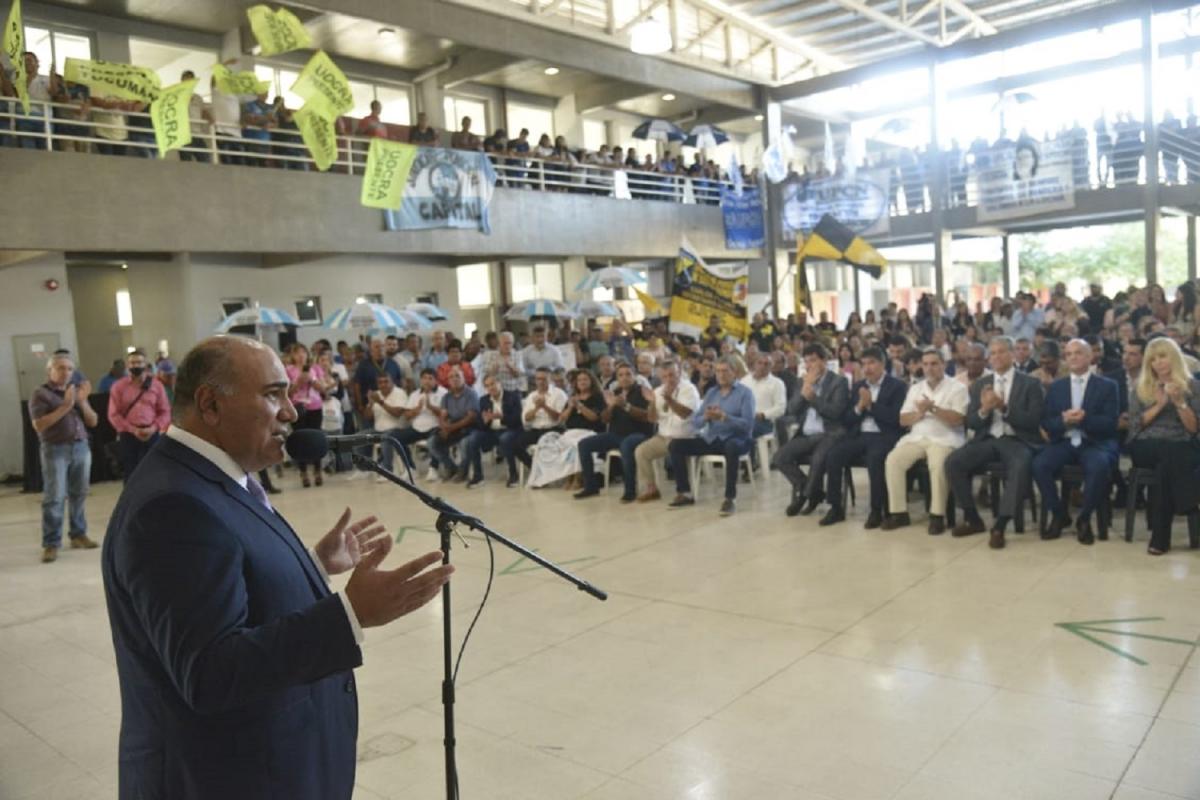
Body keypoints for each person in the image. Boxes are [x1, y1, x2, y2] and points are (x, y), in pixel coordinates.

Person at [101, 335, 453, 800]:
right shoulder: (172, 505)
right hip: (227, 777)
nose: (290, 411)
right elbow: (210, 672)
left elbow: (222, 582)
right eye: (272, 395)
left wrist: (308, 566)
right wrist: (351, 614)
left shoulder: (216, 477)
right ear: (209, 404)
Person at [945, 337, 1046, 549]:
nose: (996, 357)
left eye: (1001, 352)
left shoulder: (1030, 383)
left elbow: (1033, 421)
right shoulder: (981, 384)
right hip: (988, 439)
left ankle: (1000, 524)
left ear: (1012, 354)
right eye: (993, 353)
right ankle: (973, 518)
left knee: (1019, 466)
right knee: (954, 462)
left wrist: (1003, 408)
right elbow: (971, 422)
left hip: (1017, 440)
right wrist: (984, 410)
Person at [1032, 339, 1121, 545]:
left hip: (1095, 442)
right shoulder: (1057, 387)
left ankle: (1084, 518)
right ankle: (1059, 514)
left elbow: (1110, 424)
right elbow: (1047, 422)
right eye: (1069, 354)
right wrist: (1063, 421)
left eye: (1078, 353)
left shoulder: (1107, 386)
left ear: (1090, 357)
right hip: (1064, 441)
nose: (1073, 357)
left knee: (1098, 465)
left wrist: (1084, 419)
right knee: (1039, 465)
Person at [882, 349, 969, 535]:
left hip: (946, 438)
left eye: (934, 363)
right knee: (893, 460)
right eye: (926, 364)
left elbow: (957, 419)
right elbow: (903, 419)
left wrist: (933, 409)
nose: (930, 368)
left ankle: (937, 515)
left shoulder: (957, 388)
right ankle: (899, 513)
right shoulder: (916, 388)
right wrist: (920, 413)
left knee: (938, 465)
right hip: (918, 436)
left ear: (943, 365)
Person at [1127, 337, 1200, 555]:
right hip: (1146, 444)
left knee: (1165, 467)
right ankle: (1189, 503)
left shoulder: (1193, 387)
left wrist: (1179, 402)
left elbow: (1193, 429)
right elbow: (1134, 426)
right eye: (1153, 359)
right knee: (1168, 453)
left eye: (1163, 356)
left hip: (1181, 444)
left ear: (1174, 358)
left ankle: (1160, 539)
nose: (1159, 363)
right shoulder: (1140, 388)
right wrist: (1159, 405)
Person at [822, 347, 907, 527]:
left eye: (872, 363)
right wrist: (859, 407)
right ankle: (835, 508)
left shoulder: (898, 386)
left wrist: (871, 406)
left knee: (875, 459)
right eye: (864, 364)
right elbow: (847, 420)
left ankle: (877, 511)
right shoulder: (859, 386)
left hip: (885, 436)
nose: (867, 368)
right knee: (834, 455)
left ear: (882, 364)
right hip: (860, 435)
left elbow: (896, 419)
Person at [30, 352, 99, 563]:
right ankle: (51, 543)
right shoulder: (40, 394)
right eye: (60, 368)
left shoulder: (75, 392)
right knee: (55, 497)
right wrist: (65, 407)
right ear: (49, 371)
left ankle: (78, 534)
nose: (66, 372)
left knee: (79, 493)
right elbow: (39, 425)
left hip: (80, 447)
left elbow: (93, 421)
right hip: (55, 450)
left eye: (70, 369)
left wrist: (82, 402)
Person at [666, 357, 756, 516]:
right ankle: (685, 493)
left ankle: (730, 498)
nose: (721, 375)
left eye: (725, 371)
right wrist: (706, 417)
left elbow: (748, 425)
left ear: (734, 372)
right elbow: (696, 422)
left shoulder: (745, 393)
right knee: (675, 445)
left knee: (731, 446)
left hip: (738, 439)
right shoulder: (712, 392)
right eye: (718, 371)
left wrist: (724, 417)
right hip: (713, 438)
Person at [772, 344, 849, 517]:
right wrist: (805, 389)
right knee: (779, 458)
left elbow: (835, 413)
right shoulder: (802, 381)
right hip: (807, 434)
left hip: (830, 433)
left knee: (818, 459)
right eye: (806, 361)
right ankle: (812, 491)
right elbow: (791, 410)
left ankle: (803, 497)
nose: (809, 365)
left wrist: (813, 398)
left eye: (813, 360)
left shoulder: (839, 382)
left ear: (824, 361)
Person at [574, 363, 654, 502]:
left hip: (639, 434)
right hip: (616, 434)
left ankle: (630, 490)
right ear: (616, 378)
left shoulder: (643, 391)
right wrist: (611, 406)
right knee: (583, 445)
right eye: (621, 375)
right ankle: (591, 486)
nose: (624, 378)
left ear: (634, 376)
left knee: (626, 445)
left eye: (628, 374)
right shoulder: (615, 392)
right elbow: (604, 419)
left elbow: (647, 416)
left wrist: (626, 406)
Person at [634, 360, 700, 502]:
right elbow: (651, 419)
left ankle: (683, 491)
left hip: (685, 438)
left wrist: (669, 400)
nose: (669, 379)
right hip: (663, 437)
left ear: (679, 373)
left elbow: (685, 414)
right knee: (640, 451)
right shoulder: (657, 391)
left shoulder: (689, 389)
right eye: (665, 377)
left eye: (672, 375)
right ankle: (652, 489)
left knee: (675, 447)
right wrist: (651, 402)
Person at [107, 350, 172, 480]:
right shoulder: (118, 387)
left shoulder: (156, 386)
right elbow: (113, 414)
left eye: (139, 362)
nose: (136, 365)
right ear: (127, 365)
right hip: (128, 434)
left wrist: (154, 427)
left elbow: (165, 411)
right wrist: (133, 429)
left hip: (152, 433)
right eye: (132, 363)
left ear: (146, 364)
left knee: (153, 472)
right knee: (131, 474)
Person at [505, 367, 568, 486]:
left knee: (546, 445)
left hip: (554, 429)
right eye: (538, 379)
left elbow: (559, 418)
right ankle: (537, 471)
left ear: (550, 379)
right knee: (514, 444)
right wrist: (537, 408)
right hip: (535, 429)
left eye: (544, 379)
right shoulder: (531, 396)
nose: (540, 382)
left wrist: (544, 406)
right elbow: (526, 418)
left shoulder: (559, 394)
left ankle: (543, 473)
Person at [286, 343, 333, 488]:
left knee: (316, 438)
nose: (301, 356)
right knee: (300, 439)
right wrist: (299, 382)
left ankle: (318, 471)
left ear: (307, 354)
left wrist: (312, 380)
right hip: (297, 407)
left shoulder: (315, 368)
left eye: (303, 352)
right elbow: (288, 392)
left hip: (315, 406)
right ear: (292, 356)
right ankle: (303, 473)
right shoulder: (289, 370)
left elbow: (324, 389)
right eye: (297, 353)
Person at [463, 374, 522, 488]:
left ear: (500, 383)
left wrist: (501, 417)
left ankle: (513, 475)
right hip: (491, 432)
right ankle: (478, 477)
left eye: (493, 384)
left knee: (505, 438)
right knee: (473, 439)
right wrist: (484, 421)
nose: (491, 387)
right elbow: (480, 425)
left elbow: (518, 420)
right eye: (487, 385)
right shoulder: (484, 400)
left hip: (510, 430)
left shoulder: (513, 396)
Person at [395, 369, 448, 481]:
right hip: (417, 428)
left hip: (435, 427)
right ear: (420, 380)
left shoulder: (443, 393)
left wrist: (431, 407)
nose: (427, 381)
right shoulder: (415, 394)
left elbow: (447, 415)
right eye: (424, 378)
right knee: (396, 438)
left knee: (435, 439)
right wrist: (417, 409)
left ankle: (433, 469)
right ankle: (410, 468)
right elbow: (407, 415)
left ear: (435, 380)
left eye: (430, 378)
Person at [428, 367, 480, 481]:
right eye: (451, 377)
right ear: (448, 381)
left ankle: (463, 471)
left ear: (464, 379)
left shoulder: (471, 393)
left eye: (457, 376)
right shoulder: (446, 397)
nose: (454, 379)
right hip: (453, 428)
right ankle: (452, 468)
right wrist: (444, 428)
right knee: (432, 443)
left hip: (470, 428)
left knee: (465, 443)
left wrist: (450, 428)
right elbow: (442, 415)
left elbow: (470, 417)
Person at [365, 372, 408, 478]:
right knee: (360, 437)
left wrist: (380, 402)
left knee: (386, 437)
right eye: (380, 382)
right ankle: (363, 469)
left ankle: (387, 471)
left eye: (386, 381)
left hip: (397, 429)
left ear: (392, 382)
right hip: (378, 429)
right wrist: (370, 403)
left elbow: (397, 414)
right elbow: (367, 417)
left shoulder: (400, 393)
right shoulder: (376, 394)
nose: (383, 385)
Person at [739, 353, 787, 441]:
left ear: (771, 367)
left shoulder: (777, 383)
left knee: (746, 429)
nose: (762, 366)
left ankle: (749, 454)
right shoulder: (744, 381)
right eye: (759, 363)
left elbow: (780, 408)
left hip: (765, 422)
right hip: (744, 419)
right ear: (754, 364)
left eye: (766, 364)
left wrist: (763, 415)